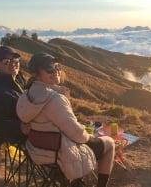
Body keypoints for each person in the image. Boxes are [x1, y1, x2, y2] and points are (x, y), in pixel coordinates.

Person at [16, 53, 115, 187]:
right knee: (109, 143)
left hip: (38, 151)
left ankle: (77, 182)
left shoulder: (26, 96)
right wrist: (90, 135)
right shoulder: (54, 99)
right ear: (36, 74)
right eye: (50, 69)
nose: (56, 71)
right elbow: (78, 135)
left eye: (57, 67)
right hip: (61, 153)